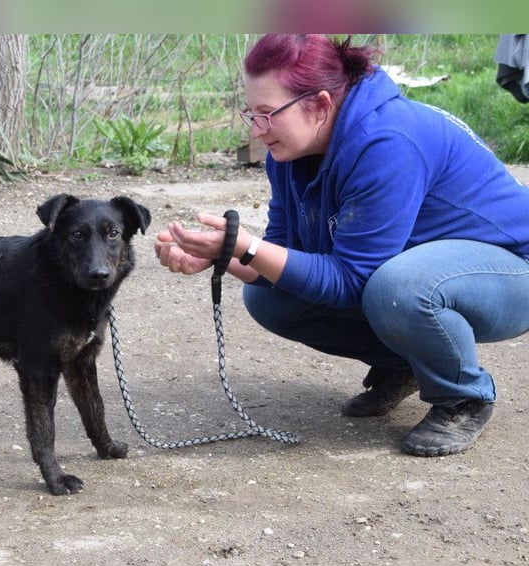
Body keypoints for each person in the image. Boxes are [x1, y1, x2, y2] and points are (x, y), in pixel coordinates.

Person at [155, 34, 529, 457]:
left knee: (398, 288)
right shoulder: (291, 153)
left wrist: (247, 247)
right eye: (250, 114)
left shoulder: (387, 141)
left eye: (267, 114)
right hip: (437, 269)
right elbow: (280, 252)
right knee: (269, 298)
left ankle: (464, 396)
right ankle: (404, 363)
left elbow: (352, 280)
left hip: (513, 269)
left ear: (319, 104)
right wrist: (220, 255)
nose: (257, 130)